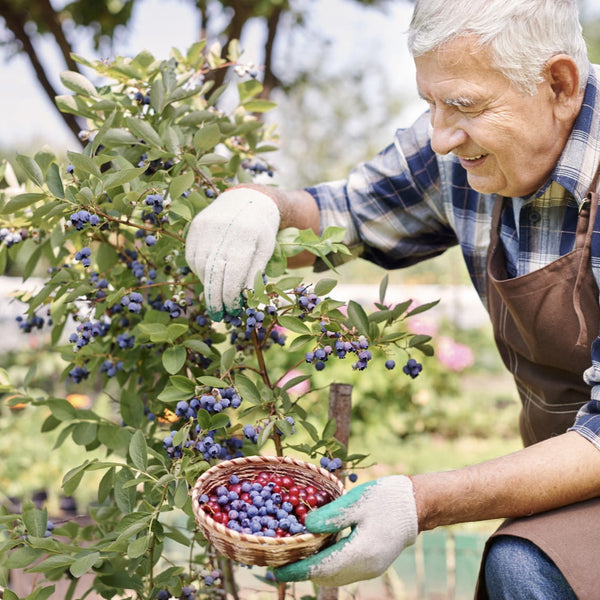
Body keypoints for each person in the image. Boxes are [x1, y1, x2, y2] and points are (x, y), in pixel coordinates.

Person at [185, 0, 600, 597]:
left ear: (558, 84)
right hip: (570, 469)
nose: (440, 136)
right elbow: (344, 215)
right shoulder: (462, 153)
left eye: (462, 105)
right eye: (429, 103)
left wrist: (420, 501)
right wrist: (260, 208)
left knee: (526, 566)